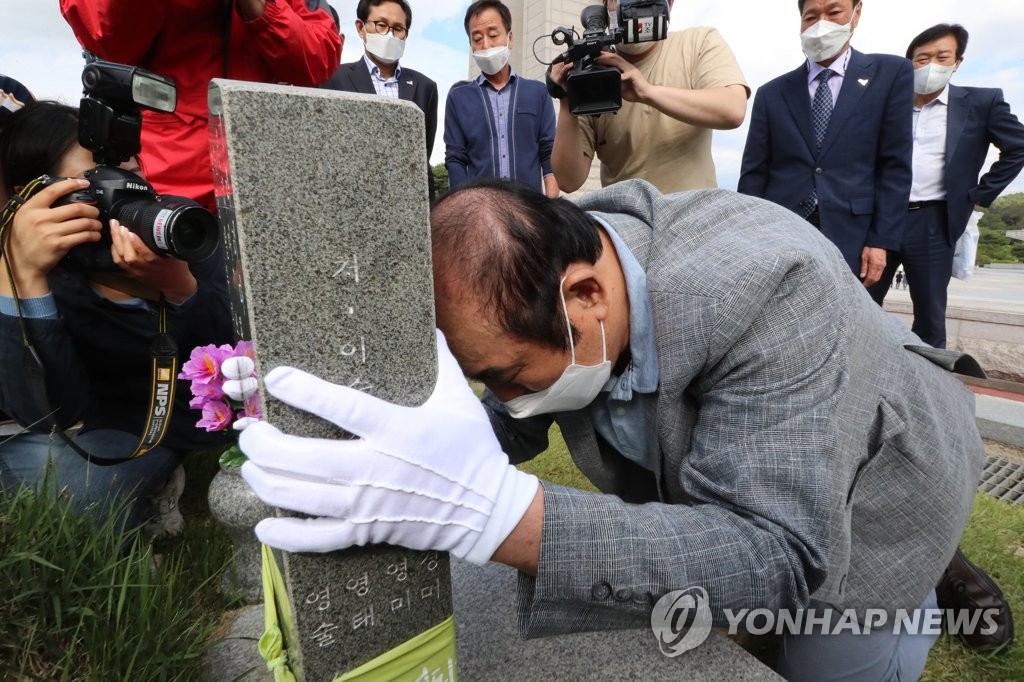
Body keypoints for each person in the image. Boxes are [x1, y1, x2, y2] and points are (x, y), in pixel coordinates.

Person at [239, 179, 988, 680]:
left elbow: (777, 554)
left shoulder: (771, 288)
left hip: (888, 488)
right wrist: (369, 444)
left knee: (827, 659)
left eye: (505, 376)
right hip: (764, 452)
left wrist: (502, 518)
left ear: (587, 295)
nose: (501, 398)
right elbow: (489, 424)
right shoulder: (556, 270)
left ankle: (931, 588)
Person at [0, 101, 233, 532]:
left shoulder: (178, 223)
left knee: (59, 484)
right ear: (33, 198)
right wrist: (25, 277)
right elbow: (51, 414)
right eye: (98, 185)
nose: (123, 198)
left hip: (185, 418)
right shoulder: (52, 269)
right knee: (38, 463)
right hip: (106, 425)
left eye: (133, 177)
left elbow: (238, 358)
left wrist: (180, 287)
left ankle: (152, 483)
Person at [60, 0, 342, 211]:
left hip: (263, 179)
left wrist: (259, 6)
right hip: (159, 178)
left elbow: (317, 61)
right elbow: (108, 36)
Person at [867, 24, 1024, 348]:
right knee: (862, 301)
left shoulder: (982, 102)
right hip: (881, 217)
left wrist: (980, 197)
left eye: (942, 57)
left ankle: (929, 393)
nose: (930, 66)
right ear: (908, 62)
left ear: (957, 61)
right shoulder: (886, 105)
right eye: (921, 58)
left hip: (933, 222)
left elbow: (1018, 146)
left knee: (929, 314)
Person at [738, 0, 913, 290]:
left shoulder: (891, 74)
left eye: (834, 13)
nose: (821, 24)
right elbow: (754, 174)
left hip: (854, 235)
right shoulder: (772, 93)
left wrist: (880, 240)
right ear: (800, 23)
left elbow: (895, 166)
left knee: (848, 325)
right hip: (783, 233)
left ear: (856, 14)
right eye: (811, 16)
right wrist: (751, 236)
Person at [549, 0, 748, 194]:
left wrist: (647, 92)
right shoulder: (591, 73)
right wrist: (567, 100)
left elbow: (732, 109)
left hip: (692, 213)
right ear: (606, 4)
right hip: (625, 218)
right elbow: (568, 180)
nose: (632, 6)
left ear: (669, 3)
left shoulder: (699, 42)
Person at [321, 0, 439, 199]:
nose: (389, 35)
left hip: (405, 200)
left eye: (398, 28)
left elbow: (422, 154)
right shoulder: (333, 79)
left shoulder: (425, 87)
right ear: (361, 28)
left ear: (406, 34)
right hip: (346, 197)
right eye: (381, 25)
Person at [444, 0, 559, 197]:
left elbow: (548, 152)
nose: (486, 44)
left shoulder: (538, 93)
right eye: (477, 38)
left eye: (493, 34)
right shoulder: (458, 98)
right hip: (481, 212)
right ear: (471, 45)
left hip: (531, 208)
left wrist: (552, 207)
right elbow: (455, 159)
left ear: (510, 38)